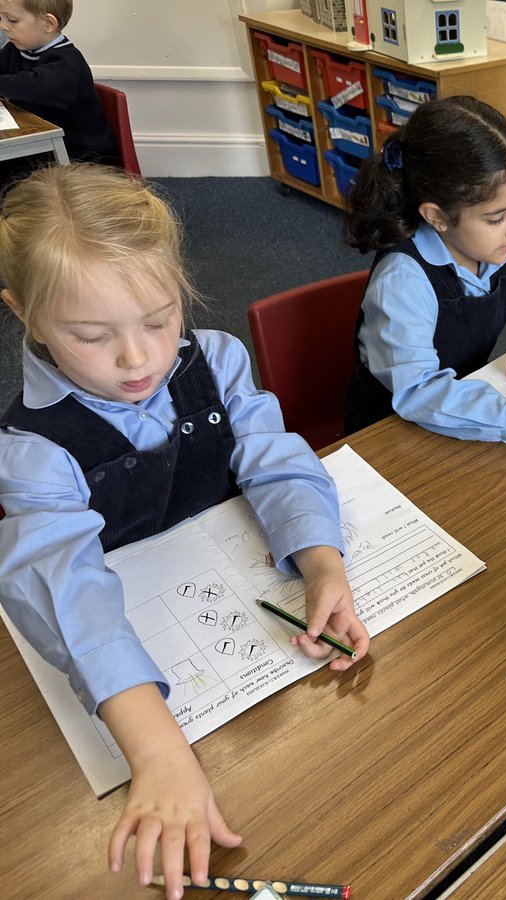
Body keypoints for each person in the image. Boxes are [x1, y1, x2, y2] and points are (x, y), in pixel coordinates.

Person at [0, 165, 369, 900]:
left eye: (160, 319)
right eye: (91, 335)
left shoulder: (222, 360)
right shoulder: (32, 449)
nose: (138, 359)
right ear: (27, 316)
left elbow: (275, 460)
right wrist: (159, 752)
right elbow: (65, 591)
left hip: (244, 614)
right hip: (153, 661)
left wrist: (322, 563)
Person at [343, 95, 506, 448]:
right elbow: (420, 394)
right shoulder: (403, 283)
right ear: (437, 217)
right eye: (497, 217)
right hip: (390, 435)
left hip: (466, 416)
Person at [0, 0, 116, 163]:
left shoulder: (68, 62)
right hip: (38, 143)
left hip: (77, 155)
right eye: (1, 18)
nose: (3, 26)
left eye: (12, 20)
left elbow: (34, 86)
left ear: (48, 23)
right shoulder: (15, 49)